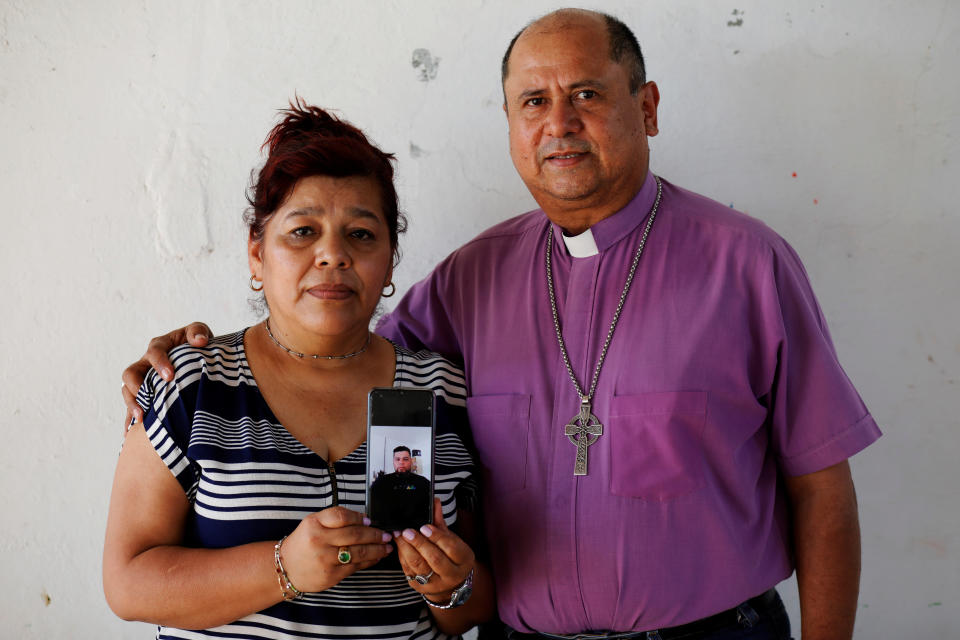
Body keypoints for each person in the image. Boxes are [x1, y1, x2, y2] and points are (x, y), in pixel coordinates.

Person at [121, 9, 881, 640]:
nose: (559, 124)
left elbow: (822, 488)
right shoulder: (466, 282)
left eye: (586, 94)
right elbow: (335, 339)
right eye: (532, 102)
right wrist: (191, 356)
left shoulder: (749, 266)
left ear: (646, 107)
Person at [104, 101, 493, 639]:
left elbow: (474, 609)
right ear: (256, 256)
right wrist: (283, 567)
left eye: (360, 234)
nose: (332, 254)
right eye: (302, 231)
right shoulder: (191, 381)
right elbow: (126, 585)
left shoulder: (441, 390)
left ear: (389, 263)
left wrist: (450, 585)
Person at [370, 446, 433, 529]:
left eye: (405, 459)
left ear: (410, 461)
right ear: (393, 461)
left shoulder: (424, 482)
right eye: (397, 459)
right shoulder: (380, 482)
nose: (401, 462)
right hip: (386, 532)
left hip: (418, 531)